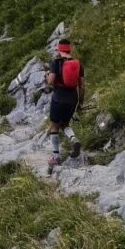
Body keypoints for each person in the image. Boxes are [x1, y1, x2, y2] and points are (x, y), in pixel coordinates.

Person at [46, 39, 84, 173]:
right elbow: (81, 86)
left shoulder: (56, 62)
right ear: (70, 49)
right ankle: (74, 140)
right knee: (65, 124)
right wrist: (80, 103)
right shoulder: (78, 64)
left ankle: (56, 157)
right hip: (73, 98)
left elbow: (50, 82)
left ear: (59, 49)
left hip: (58, 98)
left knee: (54, 126)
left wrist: (47, 77)